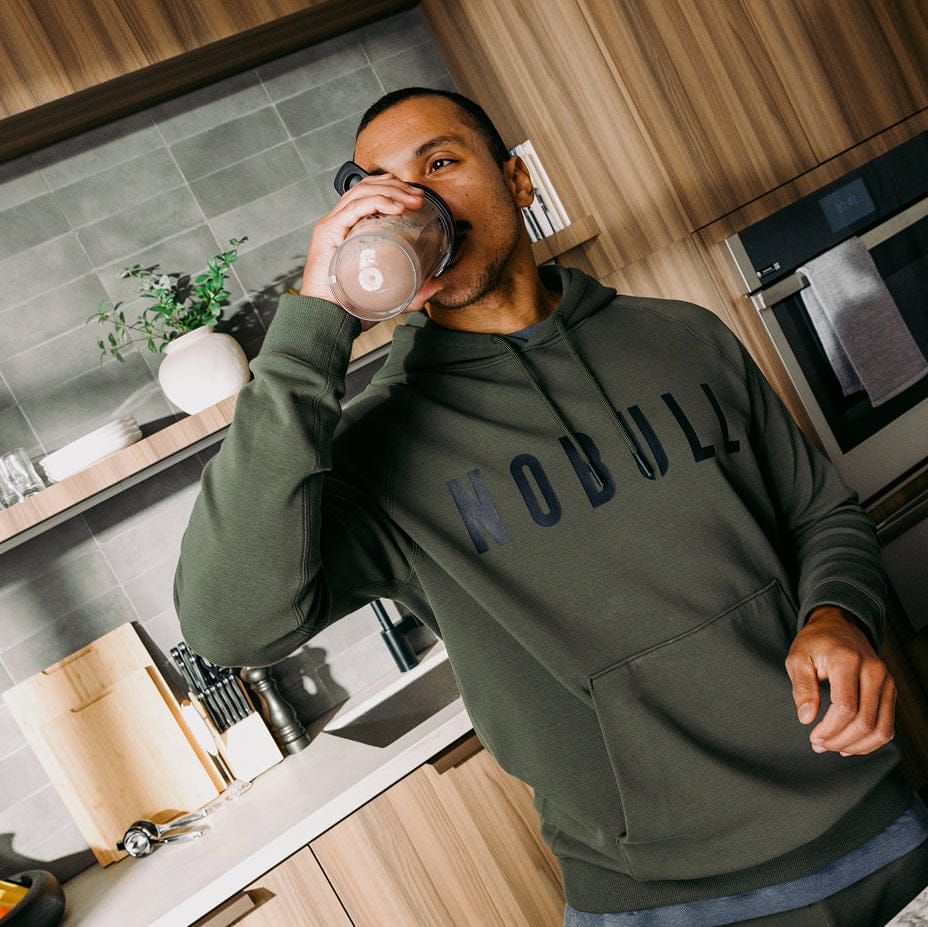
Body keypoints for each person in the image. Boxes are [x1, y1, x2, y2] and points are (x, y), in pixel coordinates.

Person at [174, 87, 928, 926]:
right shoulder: (377, 450)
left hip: (880, 828)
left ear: (518, 181)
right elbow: (229, 625)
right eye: (380, 188)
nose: (413, 203)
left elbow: (822, 515)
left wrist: (836, 615)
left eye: (440, 163)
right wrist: (314, 325)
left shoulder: (684, 337)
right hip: (664, 905)